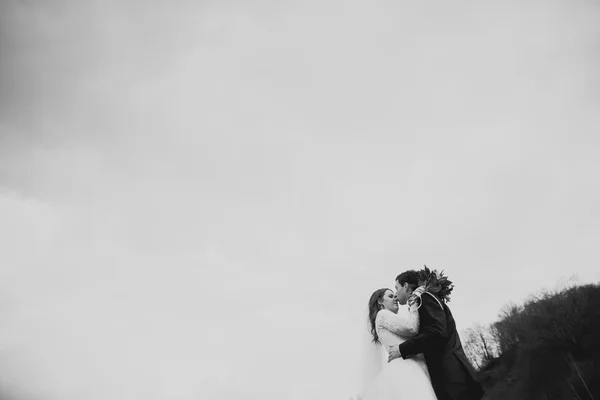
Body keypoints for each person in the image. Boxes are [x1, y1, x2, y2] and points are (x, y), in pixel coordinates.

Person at [388, 269, 484, 400]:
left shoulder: (425, 298)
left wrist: (402, 349)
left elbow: (437, 333)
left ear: (405, 286)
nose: (395, 293)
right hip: (450, 377)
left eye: (396, 288)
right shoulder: (423, 300)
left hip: (451, 377)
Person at [359, 288, 438, 400]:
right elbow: (411, 328)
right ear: (380, 301)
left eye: (395, 296)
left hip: (414, 365)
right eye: (390, 296)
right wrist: (413, 302)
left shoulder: (391, 318)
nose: (395, 298)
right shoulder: (382, 314)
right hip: (407, 368)